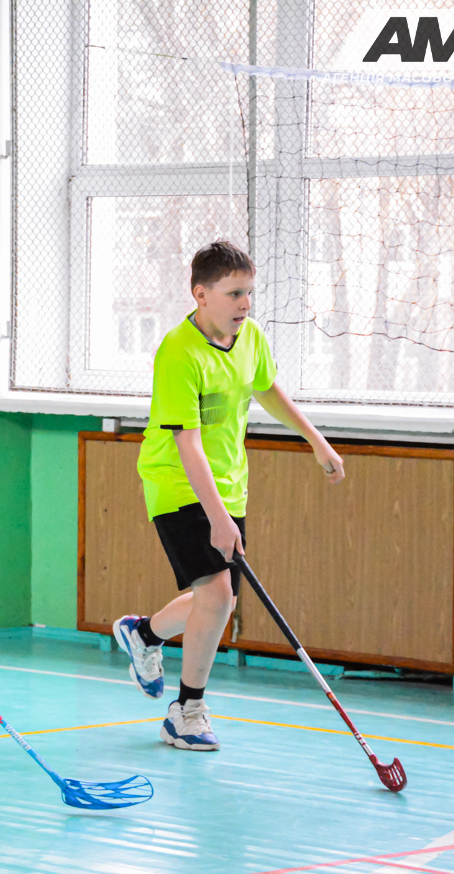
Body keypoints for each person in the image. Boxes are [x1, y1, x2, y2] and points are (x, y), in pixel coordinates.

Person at [114, 240, 345, 751]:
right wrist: (217, 517)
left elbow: (266, 387)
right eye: (234, 293)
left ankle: (144, 633)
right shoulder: (178, 352)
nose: (245, 304)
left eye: (249, 293)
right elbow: (187, 442)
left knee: (216, 599)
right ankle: (185, 712)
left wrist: (316, 440)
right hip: (177, 480)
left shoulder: (250, 336)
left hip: (230, 481)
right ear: (201, 294)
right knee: (219, 596)